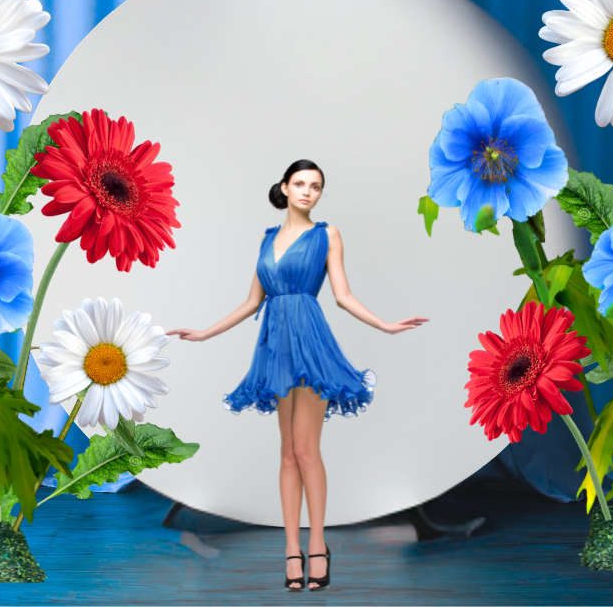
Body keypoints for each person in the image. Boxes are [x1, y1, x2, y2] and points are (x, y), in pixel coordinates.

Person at [167, 159, 428, 591]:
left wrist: (385, 324)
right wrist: (204, 333)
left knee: (307, 451)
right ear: (285, 188)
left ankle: (319, 546)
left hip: (310, 342)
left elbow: (343, 296)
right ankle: (292, 550)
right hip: (274, 347)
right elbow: (252, 302)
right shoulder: (267, 240)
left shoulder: (327, 235)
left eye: (317, 186)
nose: (309, 191)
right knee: (287, 453)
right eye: (301, 184)